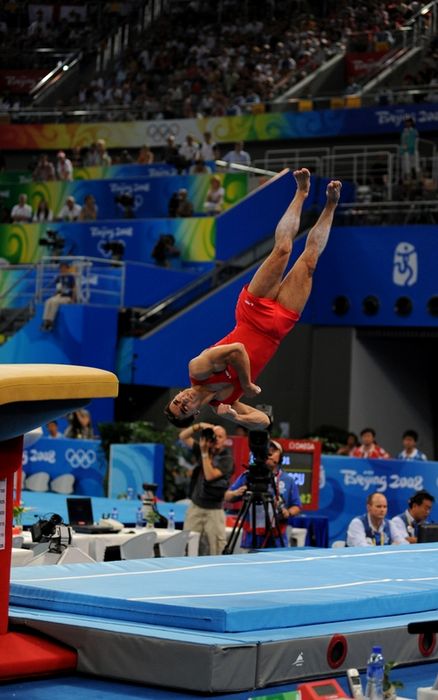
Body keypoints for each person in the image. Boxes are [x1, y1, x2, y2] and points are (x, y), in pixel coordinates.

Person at [164, 168, 342, 430]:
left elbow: (238, 350)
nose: (183, 400)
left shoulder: (198, 369)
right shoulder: (224, 402)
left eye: (177, 400)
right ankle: (331, 204)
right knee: (310, 262)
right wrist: (235, 417)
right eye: (183, 409)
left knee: (282, 250)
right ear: (195, 414)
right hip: (277, 330)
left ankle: (301, 192)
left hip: (252, 312)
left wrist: (246, 384)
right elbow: (263, 422)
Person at [224, 439, 301, 549]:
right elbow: (227, 496)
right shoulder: (248, 476)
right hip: (251, 536)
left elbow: (297, 506)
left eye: (273, 451)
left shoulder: (288, 480)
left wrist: (288, 512)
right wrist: (236, 493)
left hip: (276, 537)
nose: (269, 453)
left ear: (280, 457)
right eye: (267, 450)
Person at [180, 422, 233, 555]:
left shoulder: (227, 459)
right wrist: (200, 426)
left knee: (216, 548)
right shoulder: (203, 449)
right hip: (195, 507)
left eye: (220, 436)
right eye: (214, 436)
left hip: (214, 510)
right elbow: (183, 436)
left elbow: (210, 476)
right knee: (188, 546)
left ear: (225, 440)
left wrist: (204, 453)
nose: (217, 439)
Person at [41, 261, 76, 331]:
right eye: (61, 268)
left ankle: (50, 322)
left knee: (54, 302)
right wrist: (55, 295)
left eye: (63, 268)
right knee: (48, 301)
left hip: (67, 297)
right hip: (59, 296)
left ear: (67, 268)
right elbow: (58, 289)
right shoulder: (59, 277)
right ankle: (45, 320)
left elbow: (74, 289)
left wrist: (73, 299)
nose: (62, 269)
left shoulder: (71, 277)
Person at [400, 117, 420, 182]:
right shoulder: (404, 131)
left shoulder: (415, 131)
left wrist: (414, 149)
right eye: (406, 122)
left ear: (411, 123)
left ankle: (418, 179)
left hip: (414, 150)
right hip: (406, 151)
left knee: (416, 165)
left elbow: (416, 141)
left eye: (408, 122)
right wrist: (402, 150)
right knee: (406, 165)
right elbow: (403, 142)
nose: (407, 123)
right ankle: (408, 179)